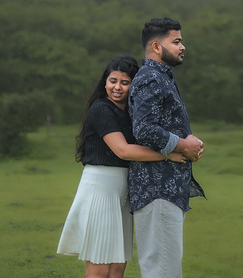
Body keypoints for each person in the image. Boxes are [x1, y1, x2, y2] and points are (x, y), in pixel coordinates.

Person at [57, 54, 189, 278]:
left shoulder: (131, 113)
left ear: (133, 85)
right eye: (113, 81)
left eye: (125, 82)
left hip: (124, 194)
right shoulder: (101, 109)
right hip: (100, 190)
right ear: (105, 82)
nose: (117, 87)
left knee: (118, 268)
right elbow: (123, 150)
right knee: (100, 268)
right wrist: (168, 154)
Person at [128, 17, 205, 278]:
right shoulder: (151, 78)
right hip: (157, 188)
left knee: (165, 268)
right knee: (162, 271)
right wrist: (183, 144)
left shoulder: (162, 77)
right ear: (156, 47)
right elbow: (144, 128)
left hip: (167, 189)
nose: (183, 47)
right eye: (176, 42)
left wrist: (190, 144)